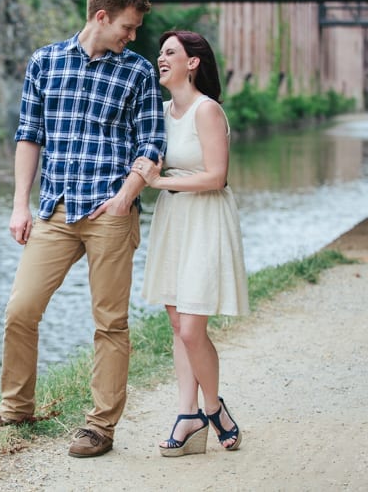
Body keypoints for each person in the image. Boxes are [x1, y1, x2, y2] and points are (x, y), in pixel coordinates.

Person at [0, 0, 166, 459]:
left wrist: (126, 198)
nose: (133, 36)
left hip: (110, 209)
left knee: (110, 323)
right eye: (128, 27)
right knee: (20, 310)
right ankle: (15, 409)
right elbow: (29, 135)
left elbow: (151, 146)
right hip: (55, 209)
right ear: (100, 16)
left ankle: (99, 427)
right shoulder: (45, 62)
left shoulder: (138, 73)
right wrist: (20, 204)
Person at [133, 30, 249, 457]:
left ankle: (214, 408)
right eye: (159, 53)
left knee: (192, 327)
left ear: (193, 62)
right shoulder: (160, 111)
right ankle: (187, 414)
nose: (160, 59)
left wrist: (159, 180)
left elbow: (218, 176)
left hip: (204, 217)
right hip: (173, 219)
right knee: (177, 329)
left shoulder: (207, 111)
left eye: (170, 53)